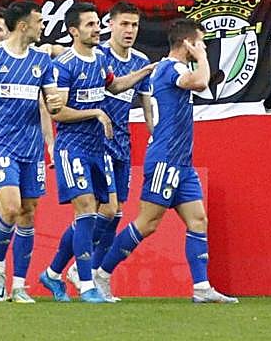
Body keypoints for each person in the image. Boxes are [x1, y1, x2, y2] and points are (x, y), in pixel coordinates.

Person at [94, 19, 237, 304]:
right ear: (187, 44)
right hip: (165, 160)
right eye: (200, 41)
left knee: (198, 220)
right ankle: (101, 274)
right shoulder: (173, 68)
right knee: (146, 224)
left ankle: (201, 287)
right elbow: (200, 82)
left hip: (182, 163)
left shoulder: (169, 68)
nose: (204, 46)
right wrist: (202, 58)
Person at [38, 2, 155, 303]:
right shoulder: (63, 65)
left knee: (103, 211)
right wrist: (95, 114)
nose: (97, 29)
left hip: (97, 146)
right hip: (73, 146)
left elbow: (115, 87)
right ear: (74, 31)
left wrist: (147, 70)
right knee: (88, 208)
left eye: (96, 23)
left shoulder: (101, 59)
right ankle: (86, 281)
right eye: (90, 25)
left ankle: (52, 274)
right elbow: (58, 111)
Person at [0, 0, 59, 302]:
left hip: (32, 148)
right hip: (2, 145)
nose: (43, 26)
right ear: (23, 25)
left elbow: (47, 104)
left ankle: (19, 284)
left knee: (29, 213)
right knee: (10, 208)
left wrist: (51, 142)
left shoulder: (42, 62)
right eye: (39, 21)